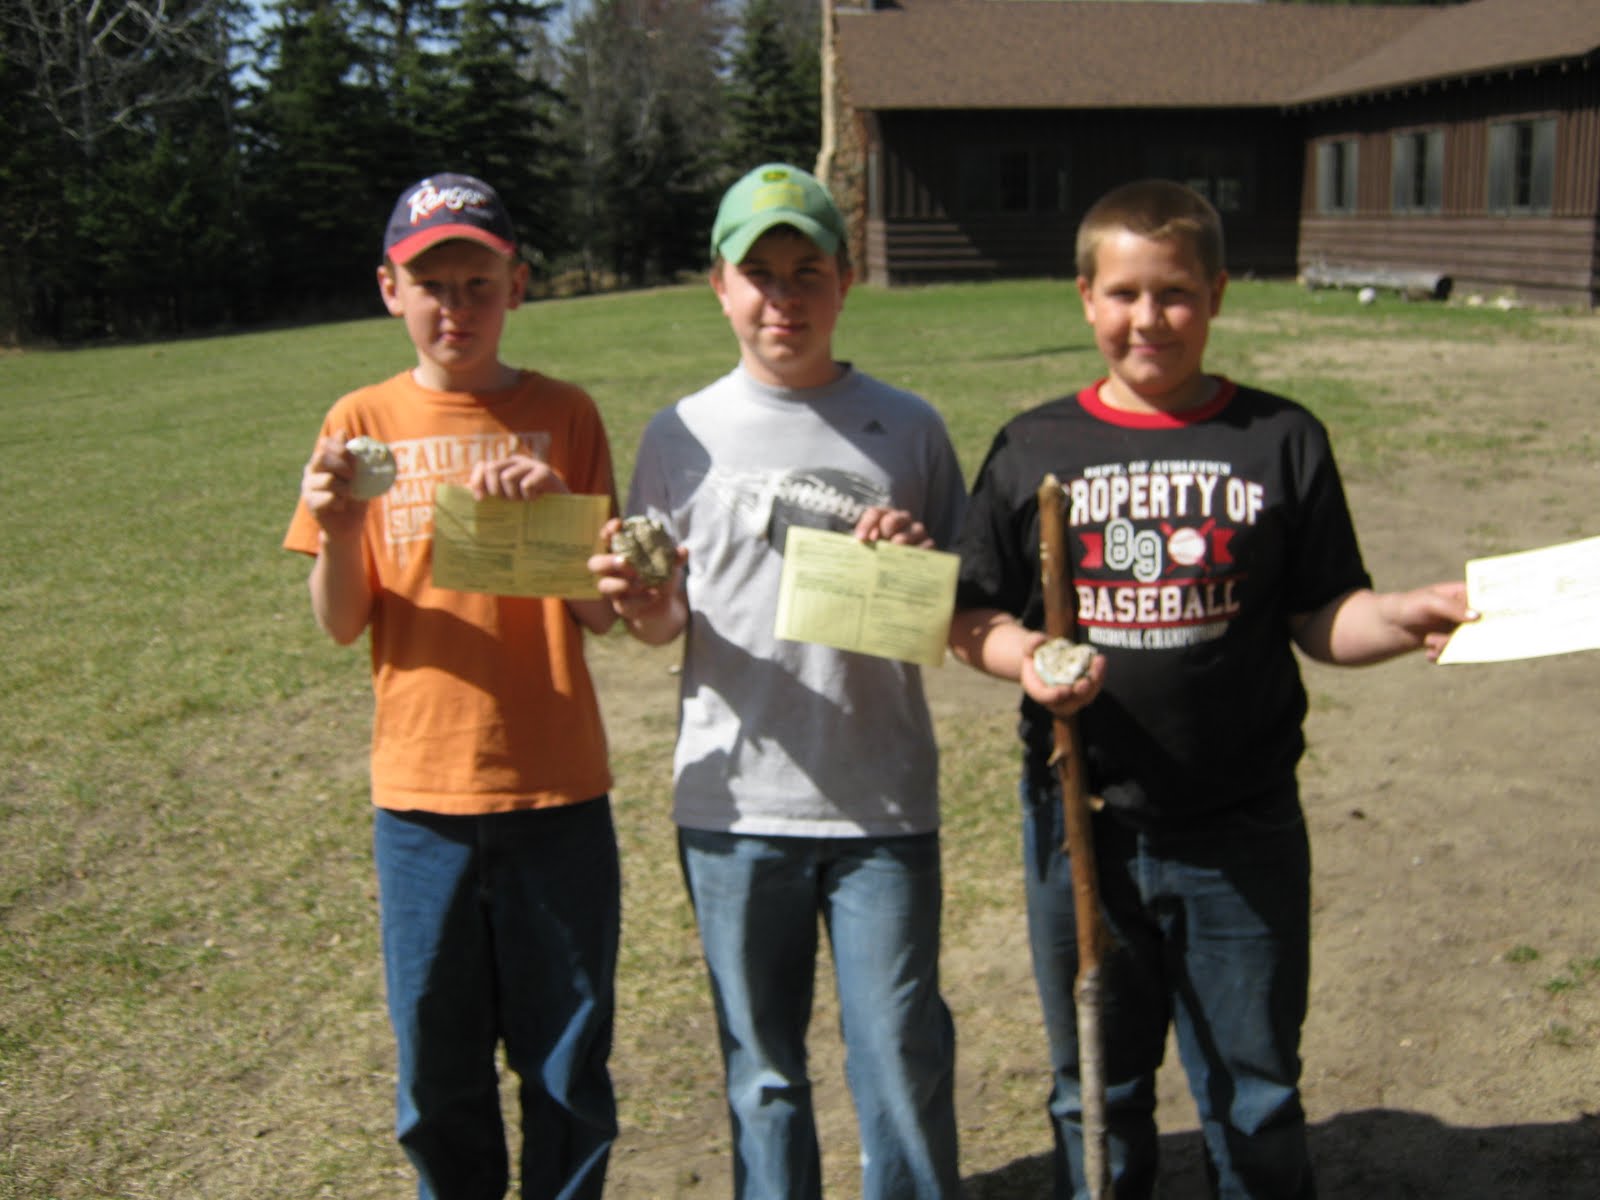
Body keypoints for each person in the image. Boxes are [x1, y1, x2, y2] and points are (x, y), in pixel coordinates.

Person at [947, 179, 1473, 1200]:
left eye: (1176, 293)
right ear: (1085, 298)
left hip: (1241, 825)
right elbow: (971, 618)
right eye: (1125, 294)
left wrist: (1400, 617)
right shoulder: (1033, 448)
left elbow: (1325, 617)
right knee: (1093, 1091)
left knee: (1254, 1092)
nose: (1150, 318)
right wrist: (1028, 660)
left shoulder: (1279, 440)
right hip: (1079, 820)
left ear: (1218, 295)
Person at [588, 163, 967, 1199]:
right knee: (763, 1075)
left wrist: (911, 559)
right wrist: (638, 601)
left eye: (807, 271)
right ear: (719, 286)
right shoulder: (680, 434)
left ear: (846, 279)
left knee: (898, 1057)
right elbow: (666, 621)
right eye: (758, 273)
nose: (782, 298)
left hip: (881, 802)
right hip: (732, 805)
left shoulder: (910, 427)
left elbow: (958, 608)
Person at [283, 172, 621, 1200]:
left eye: (478, 282)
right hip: (420, 804)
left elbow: (605, 611)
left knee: (566, 1069)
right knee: (437, 1074)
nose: (455, 308)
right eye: (431, 284)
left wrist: (560, 507)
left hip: (557, 794)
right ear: (391, 290)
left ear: (517, 286)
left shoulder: (562, 414)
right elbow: (341, 621)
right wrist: (341, 529)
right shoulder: (359, 421)